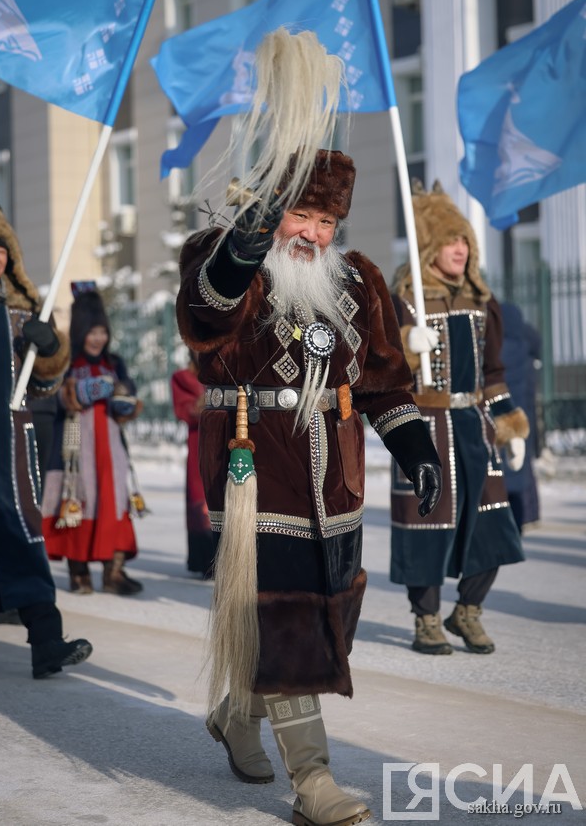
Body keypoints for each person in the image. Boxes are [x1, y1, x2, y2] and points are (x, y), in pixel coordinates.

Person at [176, 150, 442, 826]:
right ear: (270, 210)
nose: (314, 234)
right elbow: (207, 315)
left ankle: (240, 713)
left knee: (319, 620)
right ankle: (314, 781)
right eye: (301, 214)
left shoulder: (358, 278)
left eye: (327, 220)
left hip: (336, 477)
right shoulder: (221, 258)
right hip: (254, 466)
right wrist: (248, 241)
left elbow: (384, 382)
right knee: (286, 618)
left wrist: (415, 449)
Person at [389, 180, 527, 656]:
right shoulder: (404, 303)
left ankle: (467, 610)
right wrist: (407, 346)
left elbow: (493, 372)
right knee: (427, 527)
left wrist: (508, 420)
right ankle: (426, 619)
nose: (461, 250)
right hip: (425, 429)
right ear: (429, 245)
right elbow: (382, 370)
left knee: (492, 525)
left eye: (464, 240)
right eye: (451, 240)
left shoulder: (482, 302)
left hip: (475, 429)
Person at [0, 197, 93, 677]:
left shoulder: (23, 311)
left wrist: (48, 349)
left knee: (21, 529)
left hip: (8, 445)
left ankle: (46, 640)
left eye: (0, 247)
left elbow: (45, 384)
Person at [41, 288, 144, 595]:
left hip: (110, 447)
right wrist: (78, 392)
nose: (97, 339)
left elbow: (128, 393)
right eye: (91, 332)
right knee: (78, 501)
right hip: (76, 448)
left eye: (102, 332)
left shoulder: (115, 362)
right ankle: (78, 572)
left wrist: (125, 400)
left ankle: (114, 572)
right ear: (80, 333)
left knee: (113, 503)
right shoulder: (67, 362)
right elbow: (52, 397)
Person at [171, 354, 215, 579]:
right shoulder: (183, 378)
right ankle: (205, 559)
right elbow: (184, 411)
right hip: (200, 443)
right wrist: (205, 403)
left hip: (232, 440)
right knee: (201, 500)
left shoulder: (228, 369)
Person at [500, 301, 541, 532]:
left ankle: (509, 518)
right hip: (524, 412)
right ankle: (531, 512)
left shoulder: (495, 349)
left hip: (503, 414)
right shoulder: (524, 345)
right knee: (524, 468)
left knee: (506, 466)